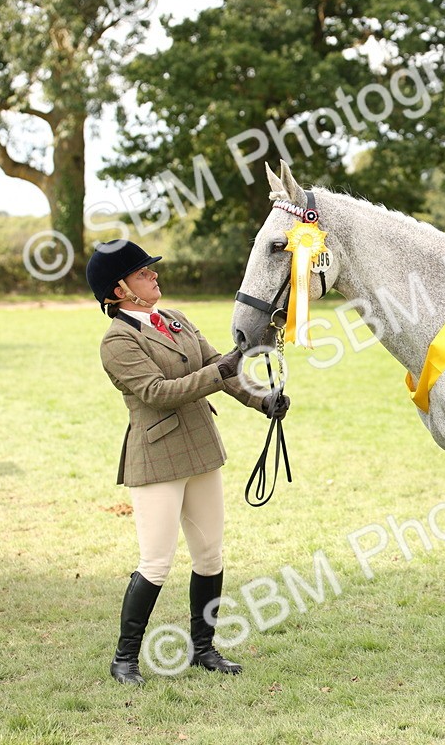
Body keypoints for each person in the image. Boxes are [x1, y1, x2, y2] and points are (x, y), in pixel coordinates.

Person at [85, 240, 289, 685]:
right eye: (142, 273)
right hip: (157, 456)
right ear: (118, 290)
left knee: (210, 554)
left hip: (199, 446)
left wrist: (262, 401)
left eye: (150, 270)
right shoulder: (118, 340)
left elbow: (219, 364)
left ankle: (203, 649)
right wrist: (222, 371)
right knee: (156, 563)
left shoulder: (175, 320)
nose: (153, 275)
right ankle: (124, 659)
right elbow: (158, 393)